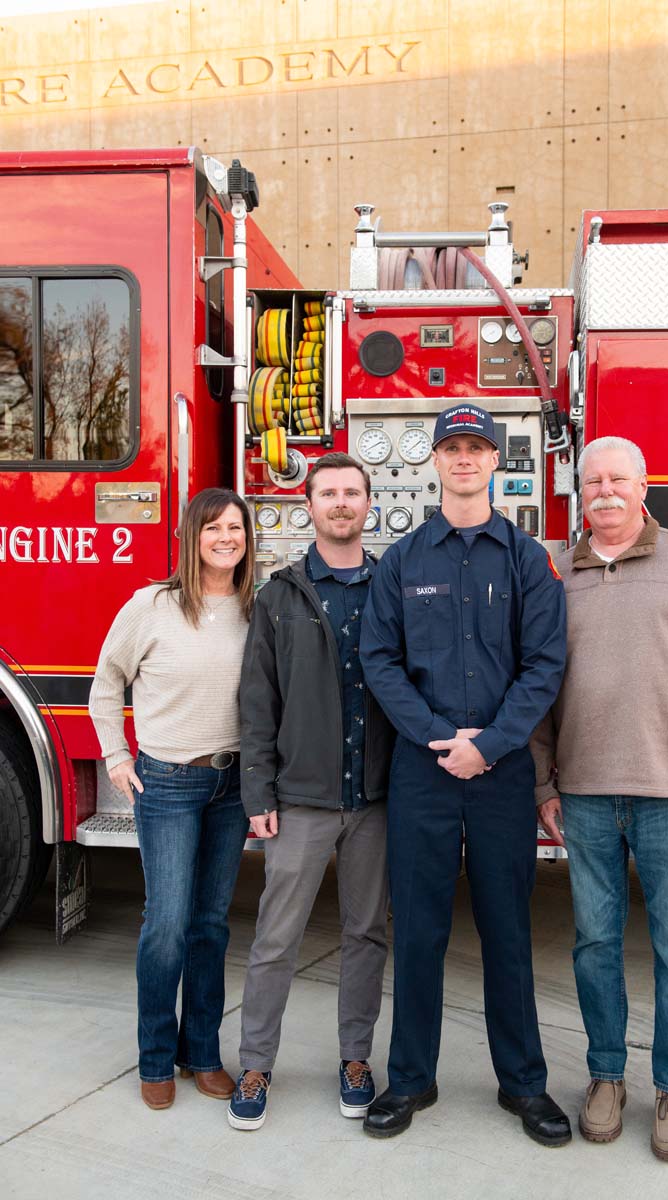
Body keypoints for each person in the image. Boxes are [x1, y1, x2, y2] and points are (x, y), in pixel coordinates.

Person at [359, 403, 571, 1145]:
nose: (465, 458)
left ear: (495, 460)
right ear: (436, 461)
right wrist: (436, 736)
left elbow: (545, 664)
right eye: (453, 447)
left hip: (502, 774)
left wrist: (493, 744)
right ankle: (410, 1079)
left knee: (507, 931)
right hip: (423, 773)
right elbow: (379, 660)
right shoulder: (402, 561)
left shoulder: (527, 559)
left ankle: (525, 1085)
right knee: (418, 931)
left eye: (478, 447)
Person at [531, 435, 668, 1162]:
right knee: (594, 947)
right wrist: (543, 782)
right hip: (585, 797)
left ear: (644, 486)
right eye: (592, 480)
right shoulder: (557, 574)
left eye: (618, 479)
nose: (605, 491)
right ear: (579, 491)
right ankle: (606, 1077)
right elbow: (536, 689)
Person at [227, 453, 394, 1132]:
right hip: (299, 799)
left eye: (352, 491)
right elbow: (256, 703)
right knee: (276, 936)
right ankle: (255, 1065)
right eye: (329, 493)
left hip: (375, 800)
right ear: (310, 505)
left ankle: (355, 1059)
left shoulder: (392, 588)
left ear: (368, 503)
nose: (341, 502)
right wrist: (258, 793)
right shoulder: (279, 597)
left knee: (366, 934)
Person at [89, 488, 254, 1110]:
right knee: (166, 925)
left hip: (233, 786)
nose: (225, 538)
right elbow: (107, 681)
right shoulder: (152, 606)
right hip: (168, 783)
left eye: (235, 527)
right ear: (190, 537)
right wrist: (116, 755)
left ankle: (201, 1054)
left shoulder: (256, 609)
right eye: (212, 527)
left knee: (211, 924)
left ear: (247, 538)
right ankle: (155, 1058)